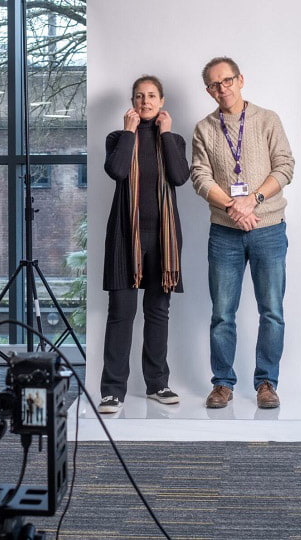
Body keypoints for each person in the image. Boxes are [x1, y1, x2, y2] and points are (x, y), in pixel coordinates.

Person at [191, 57, 294, 409]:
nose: (223, 88)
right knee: (222, 313)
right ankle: (222, 383)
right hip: (224, 233)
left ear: (241, 79)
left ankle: (266, 382)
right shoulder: (204, 129)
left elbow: (285, 167)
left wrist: (252, 199)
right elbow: (200, 177)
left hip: (269, 229)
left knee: (272, 311)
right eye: (215, 84)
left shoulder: (268, 119)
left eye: (228, 80)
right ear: (208, 90)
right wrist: (233, 208)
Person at [97, 75, 190, 414]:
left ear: (162, 102)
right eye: (139, 96)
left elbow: (180, 177)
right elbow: (118, 171)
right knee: (121, 313)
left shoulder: (174, 140)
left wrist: (165, 134)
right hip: (126, 239)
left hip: (163, 240)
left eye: (152, 96)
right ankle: (112, 390)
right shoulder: (118, 138)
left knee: (158, 313)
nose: (145, 102)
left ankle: (157, 384)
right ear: (132, 102)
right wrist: (128, 132)